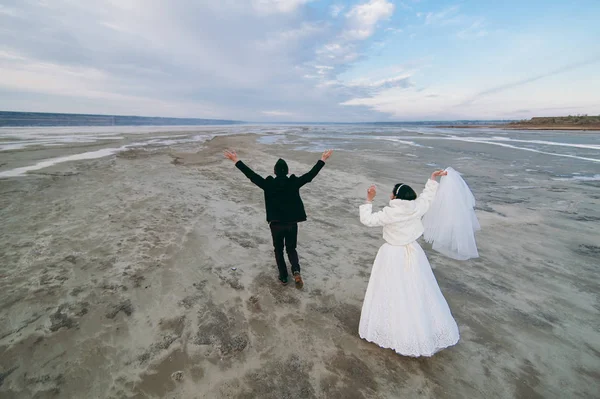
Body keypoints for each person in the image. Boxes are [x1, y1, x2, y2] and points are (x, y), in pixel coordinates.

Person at [357, 170, 460, 357]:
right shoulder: (416, 208)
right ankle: (421, 330)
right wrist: (432, 179)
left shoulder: (390, 213)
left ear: (396, 196)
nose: (390, 194)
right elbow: (427, 198)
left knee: (390, 291)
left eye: (392, 192)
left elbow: (367, 220)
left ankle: (393, 331)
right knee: (416, 289)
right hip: (413, 253)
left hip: (391, 255)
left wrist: (368, 199)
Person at [224, 149, 333, 288]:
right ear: (287, 171)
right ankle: (296, 270)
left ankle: (283, 276)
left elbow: (251, 175)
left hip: (276, 225)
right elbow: (310, 175)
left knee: (278, 249)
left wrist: (236, 160)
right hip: (292, 224)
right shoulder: (294, 183)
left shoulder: (268, 184)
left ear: (274, 172)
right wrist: (322, 159)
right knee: (291, 248)